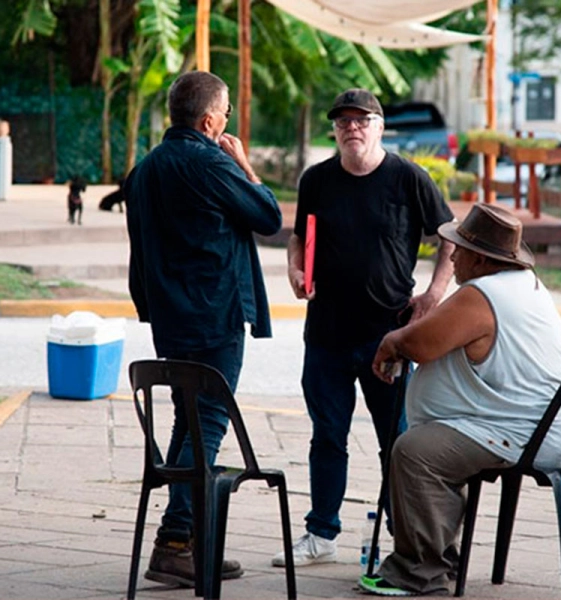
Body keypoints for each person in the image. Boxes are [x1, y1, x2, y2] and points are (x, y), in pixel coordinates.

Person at [274, 88, 455, 568]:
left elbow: (450, 238)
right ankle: (321, 533)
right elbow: (298, 239)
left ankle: (402, 536)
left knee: (396, 440)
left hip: (389, 336)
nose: (352, 128)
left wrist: (434, 293)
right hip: (326, 335)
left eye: (362, 120)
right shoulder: (317, 180)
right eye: (343, 122)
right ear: (334, 130)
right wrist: (295, 271)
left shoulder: (409, 178)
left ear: (379, 126)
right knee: (326, 436)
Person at [360, 204, 561, 596]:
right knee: (435, 447)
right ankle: (441, 560)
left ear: (479, 258)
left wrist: (391, 341)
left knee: (415, 452)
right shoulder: (522, 285)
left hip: (521, 432)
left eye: (459, 249)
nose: (453, 256)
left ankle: (418, 572)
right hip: (529, 425)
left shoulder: (483, 294)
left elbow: (420, 345)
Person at [125, 70, 281, 587]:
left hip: (169, 318)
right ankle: (175, 543)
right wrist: (243, 163)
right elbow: (267, 215)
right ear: (210, 119)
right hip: (213, 316)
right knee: (207, 424)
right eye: (228, 112)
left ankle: (181, 541)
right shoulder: (210, 161)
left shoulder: (145, 170)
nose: (229, 121)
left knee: (185, 423)